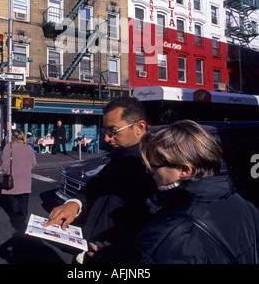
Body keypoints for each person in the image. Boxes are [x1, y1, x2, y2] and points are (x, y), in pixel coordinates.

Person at [45, 96, 157, 262]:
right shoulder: (117, 158)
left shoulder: (157, 169)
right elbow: (93, 189)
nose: (107, 138)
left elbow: (156, 232)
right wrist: (74, 204)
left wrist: (122, 256)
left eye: (113, 131)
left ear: (139, 127)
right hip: (90, 253)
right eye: (105, 131)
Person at [132, 120, 259, 264]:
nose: (149, 172)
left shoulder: (167, 235)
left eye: (154, 166)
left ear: (185, 170)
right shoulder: (247, 207)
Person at [1, 129, 36, 232]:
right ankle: (23, 223)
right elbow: (34, 163)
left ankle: (19, 223)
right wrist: (26, 169)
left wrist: (6, 173)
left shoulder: (9, 147)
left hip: (13, 179)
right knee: (24, 203)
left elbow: (5, 164)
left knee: (14, 203)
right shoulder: (28, 147)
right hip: (25, 179)